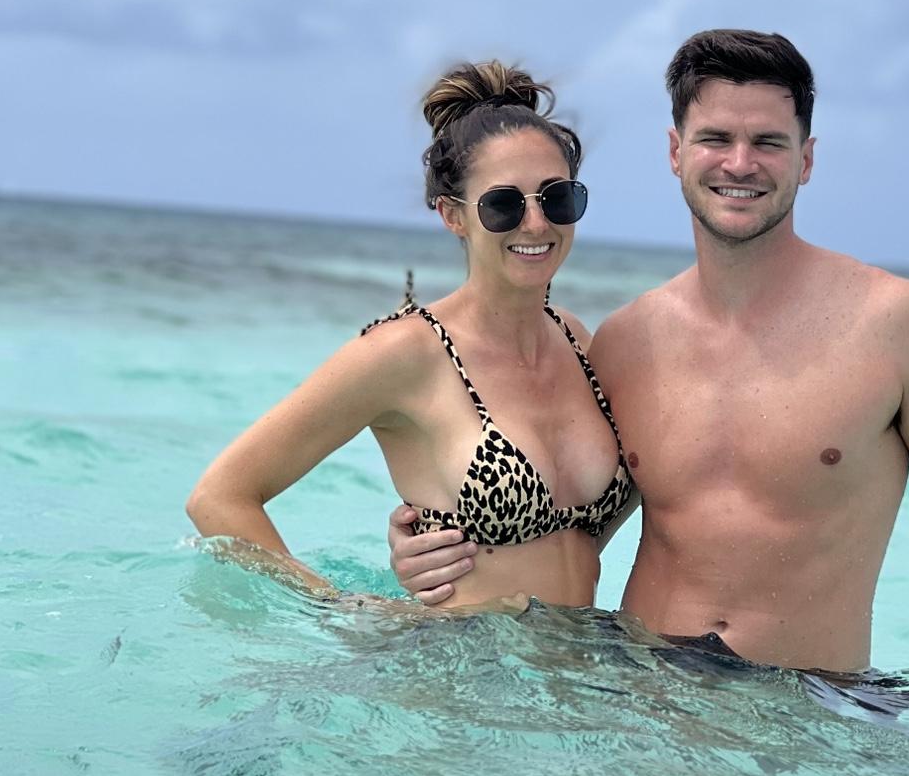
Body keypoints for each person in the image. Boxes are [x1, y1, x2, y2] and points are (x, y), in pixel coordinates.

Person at [389, 31, 909, 687]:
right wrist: (444, 550)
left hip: (812, 701)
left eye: (768, 142)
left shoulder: (895, 325)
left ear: (807, 159)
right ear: (676, 152)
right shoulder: (627, 343)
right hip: (638, 687)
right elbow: (570, 528)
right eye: (716, 139)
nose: (740, 164)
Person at [187, 62, 636, 605]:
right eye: (503, 204)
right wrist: (337, 609)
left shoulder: (575, 339)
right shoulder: (406, 352)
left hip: (579, 649)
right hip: (455, 656)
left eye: (556, 197)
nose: (537, 223)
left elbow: (573, 532)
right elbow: (220, 497)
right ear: (453, 215)